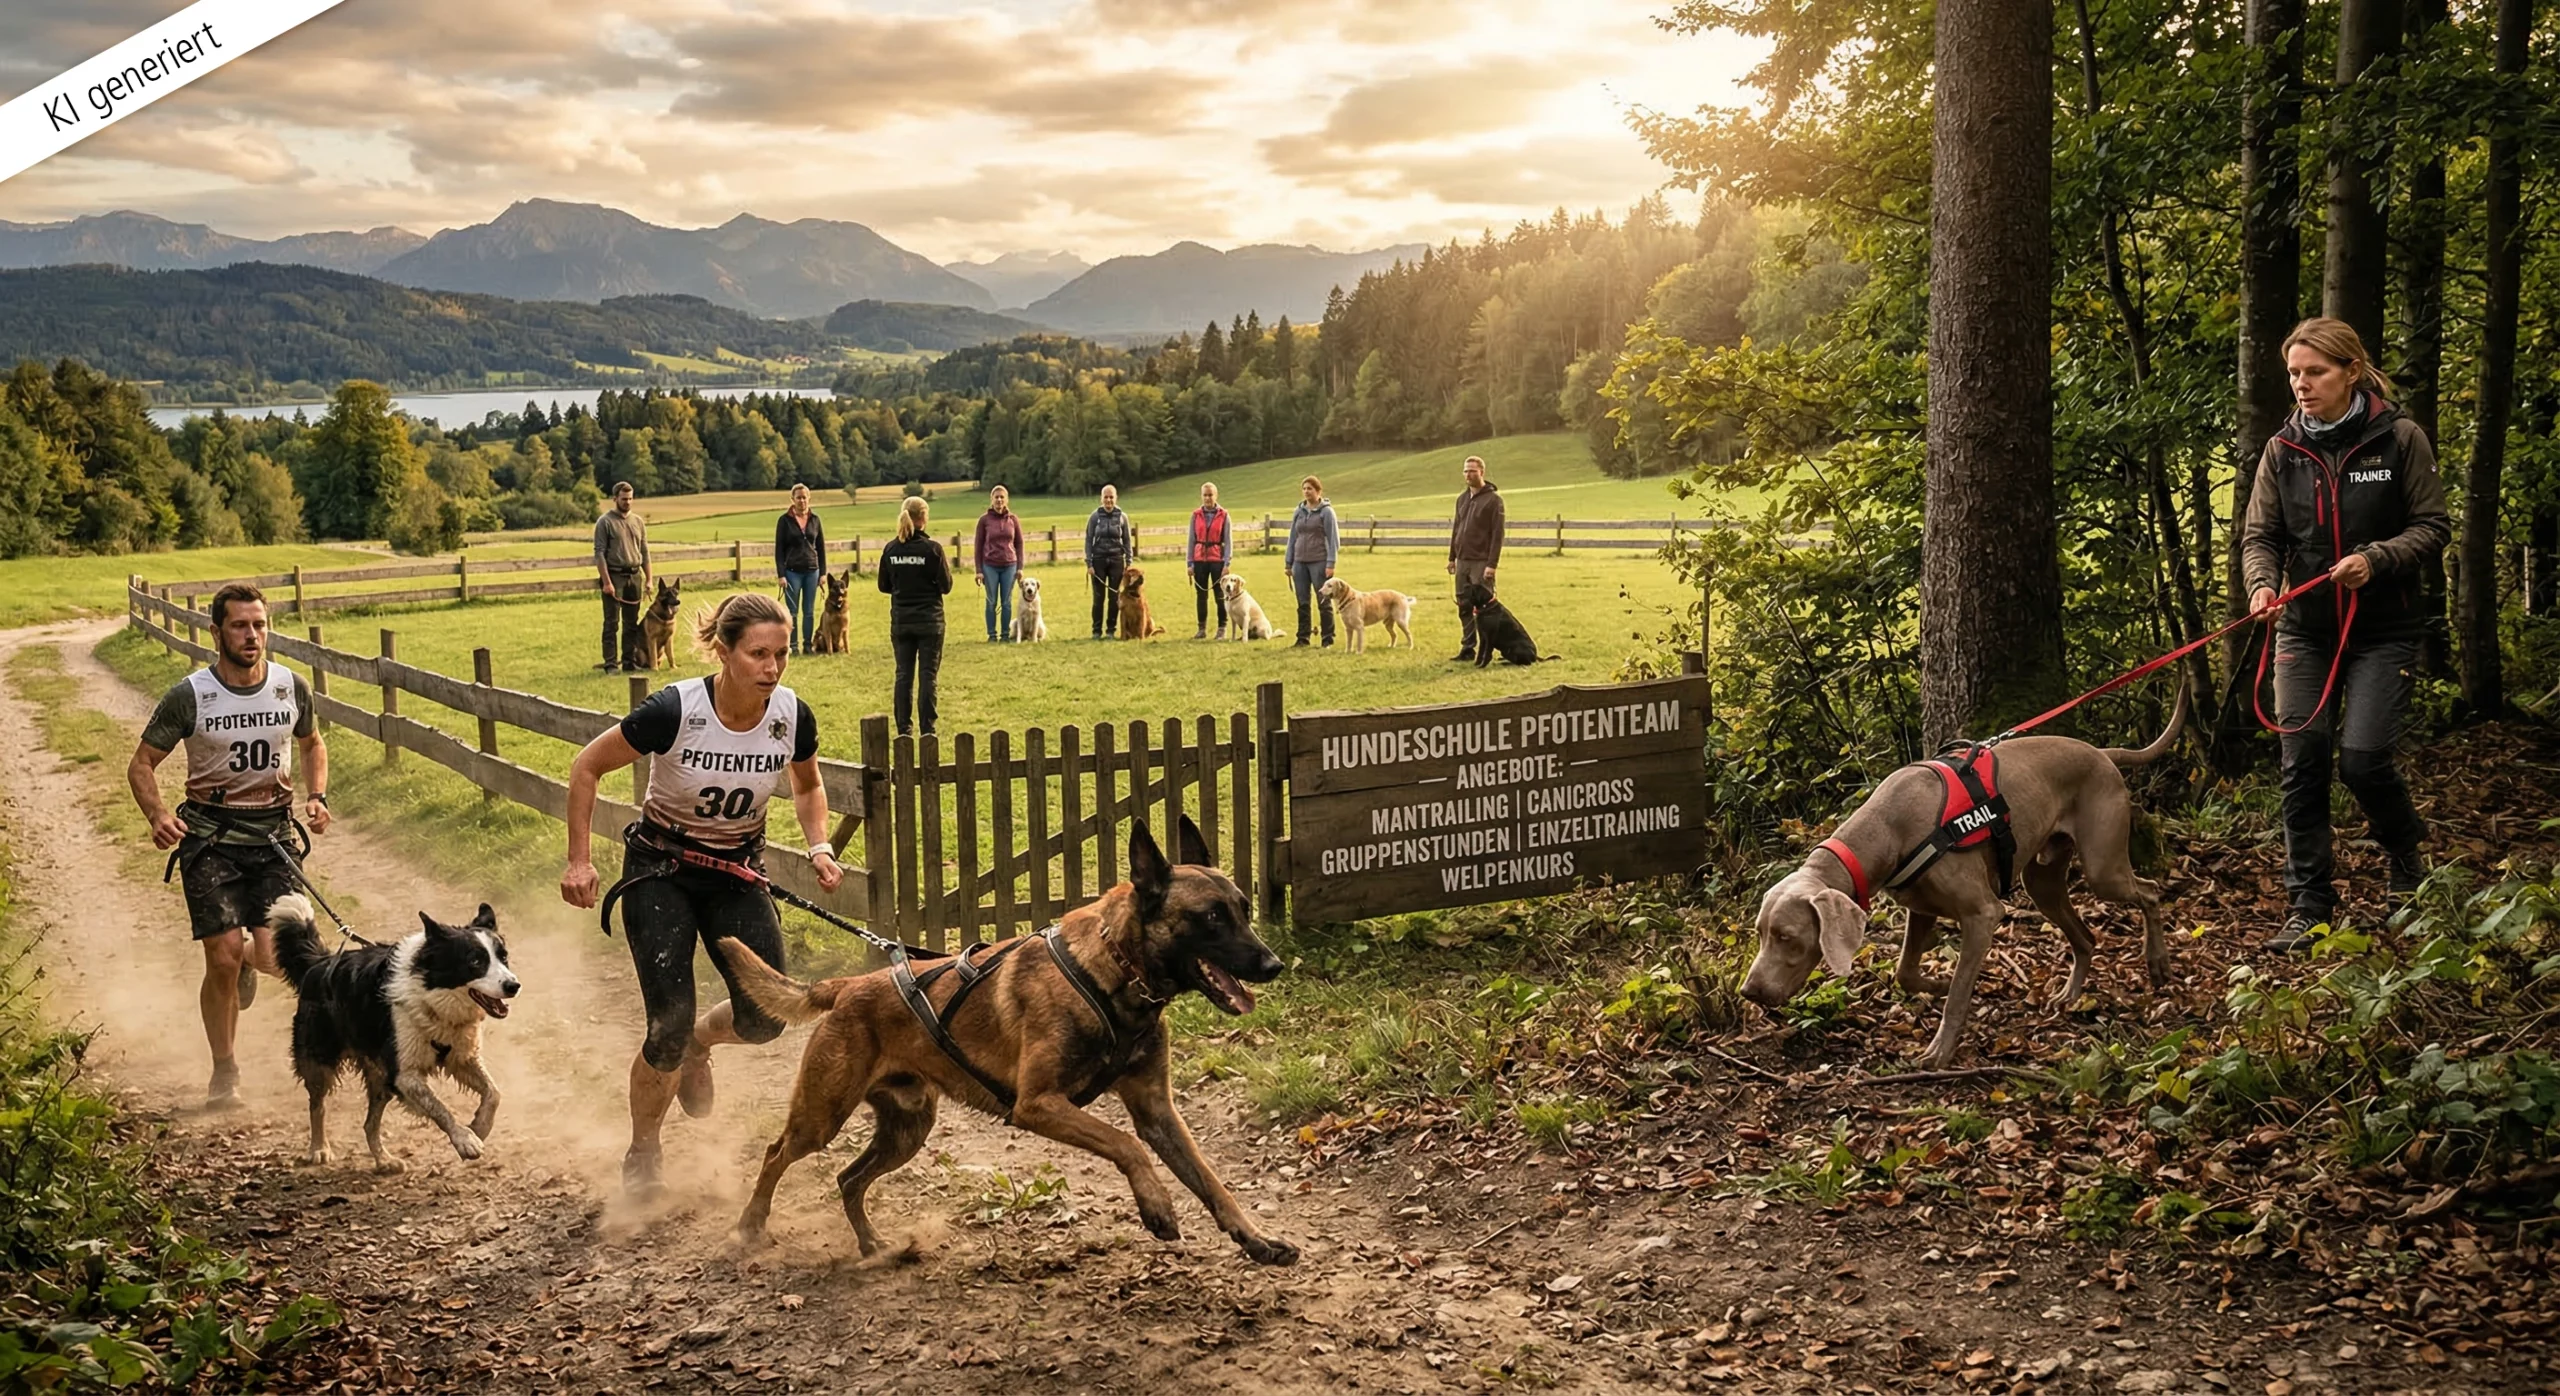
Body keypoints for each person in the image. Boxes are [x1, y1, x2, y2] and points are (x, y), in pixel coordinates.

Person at [559, 592, 843, 1196]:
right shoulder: (674, 709)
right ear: (724, 651)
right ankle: (643, 1151)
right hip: (661, 869)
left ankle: (699, 1046)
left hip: (735, 871)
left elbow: (808, 784)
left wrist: (818, 845)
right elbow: (587, 767)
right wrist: (579, 861)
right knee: (666, 1023)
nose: (772, 668)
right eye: (758, 654)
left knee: (769, 1016)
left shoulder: (792, 716)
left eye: (782, 654)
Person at [2242, 316, 2452, 952]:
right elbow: (2261, 537)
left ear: (2352, 372)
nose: (2301, 386)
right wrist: (2262, 587)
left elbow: (2433, 525)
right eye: (2294, 375)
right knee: (2302, 761)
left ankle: (2408, 861)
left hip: (2383, 631)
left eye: (2314, 373)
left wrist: (2377, 558)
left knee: (2362, 760)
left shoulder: (2400, 439)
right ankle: (2309, 906)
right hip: (2305, 632)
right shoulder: (2283, 451)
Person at [127, 583, 332, 1107]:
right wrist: (157, 815)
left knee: (274, 955)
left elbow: (312, 743)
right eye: (240, 625)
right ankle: (225, 1070)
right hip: (210, 839)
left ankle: (246, 957)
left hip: (273, 837)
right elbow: (142, 764)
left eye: (260, 625)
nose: (252, 635)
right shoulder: (190, 694)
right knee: (218, 959)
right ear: (216, 632)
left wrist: (318, 796)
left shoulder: (291, 687)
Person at [880, 496, 953, 736]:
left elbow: (883, 585)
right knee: (928, 675)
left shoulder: (891, 549)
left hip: (902, 620)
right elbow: (946, 586)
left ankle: (904, 728)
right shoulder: (932, 549)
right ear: (924, 518)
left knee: (903, 675)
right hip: (930, 621)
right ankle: (928, 729)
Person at [1448, 454, 1506, 662]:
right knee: (1464, 605)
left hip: (1481, 561)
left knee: (1486, 608)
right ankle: (1468, 647)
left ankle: (1489, 647)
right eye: (1465, 470)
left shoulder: (1494, 501)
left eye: (1472, 470)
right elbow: (1456, 529)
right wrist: (1452, 557)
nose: (1468, 474)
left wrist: (1492, 564)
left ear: (1482, 472)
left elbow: (1497, 535)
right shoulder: (1461, 499)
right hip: (1462, 560)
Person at [594, 481, 651, 672]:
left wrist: (649, 579)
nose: (627, 502)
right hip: (614, 576)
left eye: (630, 499)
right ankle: (610, 663)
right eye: (624, 499)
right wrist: (607, 582)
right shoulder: (605, 522)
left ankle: (629, 661)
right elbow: (599, 553)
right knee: (612, 622)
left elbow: (644, 551)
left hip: (634, 576)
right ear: (615, 499)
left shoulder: (638, 522)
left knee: (631, 623)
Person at [1283, 475, 1339, 648]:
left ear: (1318, 491)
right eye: (1304, 489)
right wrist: (1288, 562)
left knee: (1323, 600)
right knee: (1302, 601)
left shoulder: (1326, 512)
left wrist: (1331, 563)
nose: (1307, 492)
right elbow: (1293, 537)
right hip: (1299, 562)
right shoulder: (1298, 511)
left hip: (1319, 561)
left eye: (1310, 489)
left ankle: (1327, 638)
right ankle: (1302, 638)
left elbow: (1333, 538)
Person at [773, 484, 826, 655]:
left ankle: (808, 645)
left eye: (804, 497)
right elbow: (779, 550)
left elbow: (821, 547)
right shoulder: (784, 521)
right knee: (792, 612)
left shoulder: (815, 520)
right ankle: (793, 646)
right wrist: (781, 575)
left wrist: (823, 573)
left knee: (809, 611)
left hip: (812, 571)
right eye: (798, 497)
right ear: (792, 499)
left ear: (809, 498)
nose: (802, 501)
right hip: (792, 572)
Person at [975, 485, 1025, 643]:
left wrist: (1020, 567)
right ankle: (992, 634)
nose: (999, 500)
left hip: (1010, 565)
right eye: (996, 497)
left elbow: (1019, 544)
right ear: (992, 499)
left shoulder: (1013, 520)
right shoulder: (984, 520)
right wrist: (978, 570)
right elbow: (978, 545)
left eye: (1002, 497)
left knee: (1006, 602)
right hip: (989, 565)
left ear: (1007, 500)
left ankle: (1005, 634)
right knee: (991, 601)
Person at [1085, 484, 1133, 640]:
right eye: (1106, 497)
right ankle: (1096, 631)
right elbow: (1088, 539)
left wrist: (1129, 561)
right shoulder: (1094, 517)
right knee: (1098, 598)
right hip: (1098, 560)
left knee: (1114, 597)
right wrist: (1089, 563)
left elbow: (1126, 540)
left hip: (1116, 560)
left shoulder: (1122, 517)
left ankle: (1111, 630)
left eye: (1111, 497)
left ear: (1116, 498)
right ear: (1101, 498)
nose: (1108, 500)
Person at [1188, 482, 1233, 639]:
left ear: (1216, 495)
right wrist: (1190, 563)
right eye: (1205, 495)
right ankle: (1201, 629)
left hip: (1217, 559)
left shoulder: (1224, 515)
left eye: (1210, 495)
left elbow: (1228, 541)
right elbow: (1191, 540)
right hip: (1199, 559)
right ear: (1201, 496)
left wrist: (1227, 563)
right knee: (1201, 595)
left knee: (1219, 595)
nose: (1208, 498)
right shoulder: (1195, 515)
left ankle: (1222, 628)